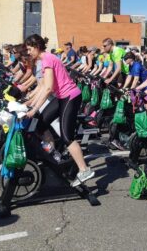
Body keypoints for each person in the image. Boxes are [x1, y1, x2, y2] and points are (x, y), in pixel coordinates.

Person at [24, 34, 94, 187]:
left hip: (70, 96)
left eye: (29, 49)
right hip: (61, 96)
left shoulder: (47, 59)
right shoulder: (44, 60)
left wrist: (34, 108)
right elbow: (42, 86)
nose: (28, 52)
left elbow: (48, 88)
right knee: (40, 124)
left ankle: (84, 169)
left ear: (36, 47)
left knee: (67, 136)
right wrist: (28, 103)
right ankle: (54, 155)